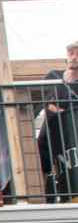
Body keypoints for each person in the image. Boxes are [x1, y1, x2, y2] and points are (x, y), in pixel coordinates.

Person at [37, 41, 78, 203]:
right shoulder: (53, 76)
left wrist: (62, 109)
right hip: (53, 127)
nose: (74, 57)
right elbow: (49, 104)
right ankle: (48, 191)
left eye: (77, 54)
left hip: (73, 130)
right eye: (71, 53)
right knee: (43, 152)